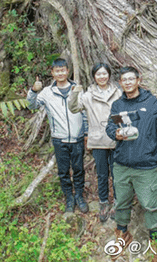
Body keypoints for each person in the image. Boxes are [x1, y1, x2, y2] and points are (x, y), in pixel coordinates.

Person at [105, 66, 157, 254]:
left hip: (146, 166)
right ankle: (122, 234)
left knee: (150, 205)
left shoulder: (152, 101)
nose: (128, 82)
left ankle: (155, 242)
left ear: (138, 80)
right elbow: (110, 127)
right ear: (120, 83)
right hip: (121, 164)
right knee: (121, 202)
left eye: (131, 79)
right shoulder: (118, 105)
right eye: (124, 80)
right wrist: (116, 133)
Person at [27, 58, 89, 214]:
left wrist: (86, 133)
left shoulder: (77, 89)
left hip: (77, 137)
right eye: (57, 70)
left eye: (63, 70)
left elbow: (85, 113)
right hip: (59, 139)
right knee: (63, 171)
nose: (60, 73)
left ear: (67, 71)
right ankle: (69, 197)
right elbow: (32, 106)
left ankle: (79, 196)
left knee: (79, 169)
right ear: (52, 73)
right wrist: (34, 91)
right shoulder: (47, 92)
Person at [69, 62, 122, 222]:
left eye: (104, 73)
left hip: (116, 138)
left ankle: (118, 202)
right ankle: (103, 202)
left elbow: (121, 112)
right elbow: (74, 108)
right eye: (98, 74)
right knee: (102, 173)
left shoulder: (117, 92)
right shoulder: (87, 95)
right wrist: (74, 94)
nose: (102, 77)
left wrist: (119, 127)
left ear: (109, 75)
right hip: (98, 138)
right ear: (94, 77)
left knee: (117, 173)